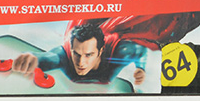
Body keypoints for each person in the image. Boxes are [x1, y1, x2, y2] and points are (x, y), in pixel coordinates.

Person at [11, 22, 146, 87]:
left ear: (100, 52)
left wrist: (141, 68)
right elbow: (47, 57)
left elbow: (141, 51)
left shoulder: (121, 53)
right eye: (77, 54)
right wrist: (31, 58)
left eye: (88, 55)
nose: (81, 63)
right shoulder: (64, 56)